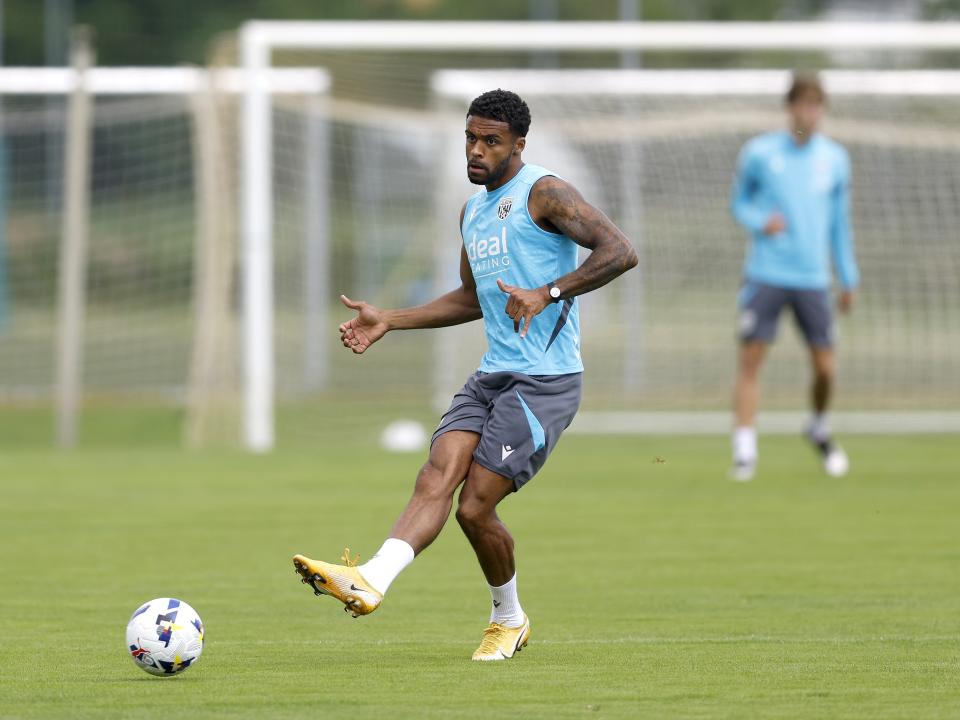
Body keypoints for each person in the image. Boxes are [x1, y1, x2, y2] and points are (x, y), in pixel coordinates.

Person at [293, 89, 638, 661]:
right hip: (493, 375)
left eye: (491, 141)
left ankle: (510, 619)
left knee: (475, 506)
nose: (476, 151)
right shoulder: (471, 211)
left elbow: (620, 251)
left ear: (519, 145)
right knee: (436, 474)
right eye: (470, 139)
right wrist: (390, 319)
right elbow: (471, 299)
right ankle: (371, 578)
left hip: (544, 382)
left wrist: (547, 292)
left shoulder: (545, 193)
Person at [729, 72, 859, 482]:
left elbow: (840, 224)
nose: (810, 112)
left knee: (825, 367)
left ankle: (818, 425)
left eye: (816, 104)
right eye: (803, 104)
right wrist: (759, 220)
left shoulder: (835, 159)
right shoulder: (760, 153)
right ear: (790, 108)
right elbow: (739, 204)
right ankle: (745, 449)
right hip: (766, 273)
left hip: (814, 279)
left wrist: (848, 276)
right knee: (751, 360)